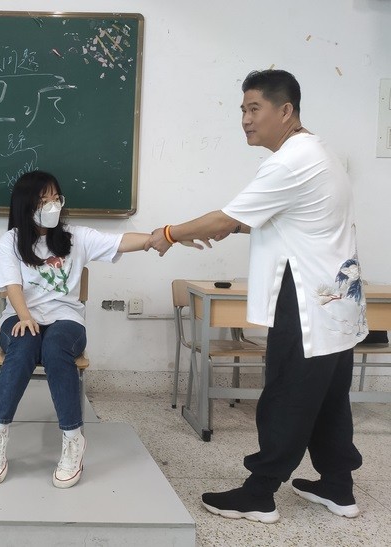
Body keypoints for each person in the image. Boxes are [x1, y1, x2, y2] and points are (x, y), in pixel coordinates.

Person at [146, 69, 367, 523]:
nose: (245, 120)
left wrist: (167, 234)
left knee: (287, 394)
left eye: (254, 108)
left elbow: (226, 218)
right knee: (329, 399)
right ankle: (338, 485)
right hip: (338, 304)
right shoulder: (319, 151)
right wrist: (231, 225)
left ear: (285, 111)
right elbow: (277, 220)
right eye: (242, 110)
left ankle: (259, 493)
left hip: (307, 303)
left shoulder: (289, 161)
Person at [0, 170, 153, 488]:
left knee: (55, 347)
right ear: (26, 204)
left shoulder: (75, 237)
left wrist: (161, 236)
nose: (52, 205)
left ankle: (74, 440)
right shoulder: (11, 241)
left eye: (55, 198)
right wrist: (25, 316)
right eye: (43, 200)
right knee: (24, 345)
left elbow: (122, 241)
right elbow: (12, 286)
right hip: (19, 317)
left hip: (66, 319)